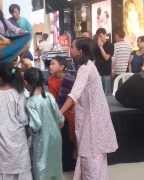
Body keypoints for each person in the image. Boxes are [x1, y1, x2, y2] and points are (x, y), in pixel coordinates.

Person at [60, 37, 118, 180]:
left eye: (72, 47)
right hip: (93, 117)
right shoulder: (89, 66)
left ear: (80, 51)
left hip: (93, 119)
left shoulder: (85, 69)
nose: (70, 49)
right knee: (95, 155)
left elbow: (74, 95)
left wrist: (58, 113)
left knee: (90, 156)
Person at [24, 67, 64, 180]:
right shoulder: (49, 96)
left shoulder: (30, 102)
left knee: (41, 167)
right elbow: (60, 118)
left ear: (26, 83)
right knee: (55, 165)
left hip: (42, 139)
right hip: (56, 137)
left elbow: (36, 125)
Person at [48, 56, 76, 146]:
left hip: (68, 114)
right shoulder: (51, 79)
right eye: (50, 64)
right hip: (57, 112)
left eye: (53, 64)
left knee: (68, 143)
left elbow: (73, 100)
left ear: (62, 67)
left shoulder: (68, 80)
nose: (50, 66)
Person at [94, 28, 114, 95]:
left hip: (106, 72)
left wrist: (100, 47)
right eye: (98, 36)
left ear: (105, 35)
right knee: (99, 93)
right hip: (97, 72)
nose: (99, 38)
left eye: (101, 36)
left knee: (107, 94)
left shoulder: (110, 45)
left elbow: (106, 58)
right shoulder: (95, 45)